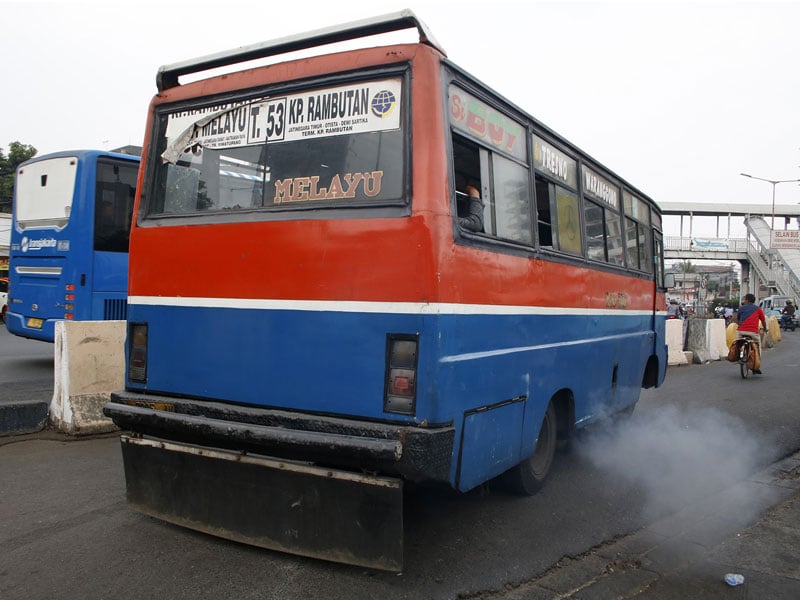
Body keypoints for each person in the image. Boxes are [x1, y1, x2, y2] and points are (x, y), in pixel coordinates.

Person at [736, 293, 767, 374]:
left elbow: (738, 320)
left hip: (741, 331)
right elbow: (763, 321)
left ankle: (738, 355)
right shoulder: (758, 309)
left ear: (746, 300)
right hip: (753, 332)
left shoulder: (741, 308)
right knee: (758, 346)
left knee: (737, 343)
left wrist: (740, 325)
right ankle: (756, 363)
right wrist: (765, 328)